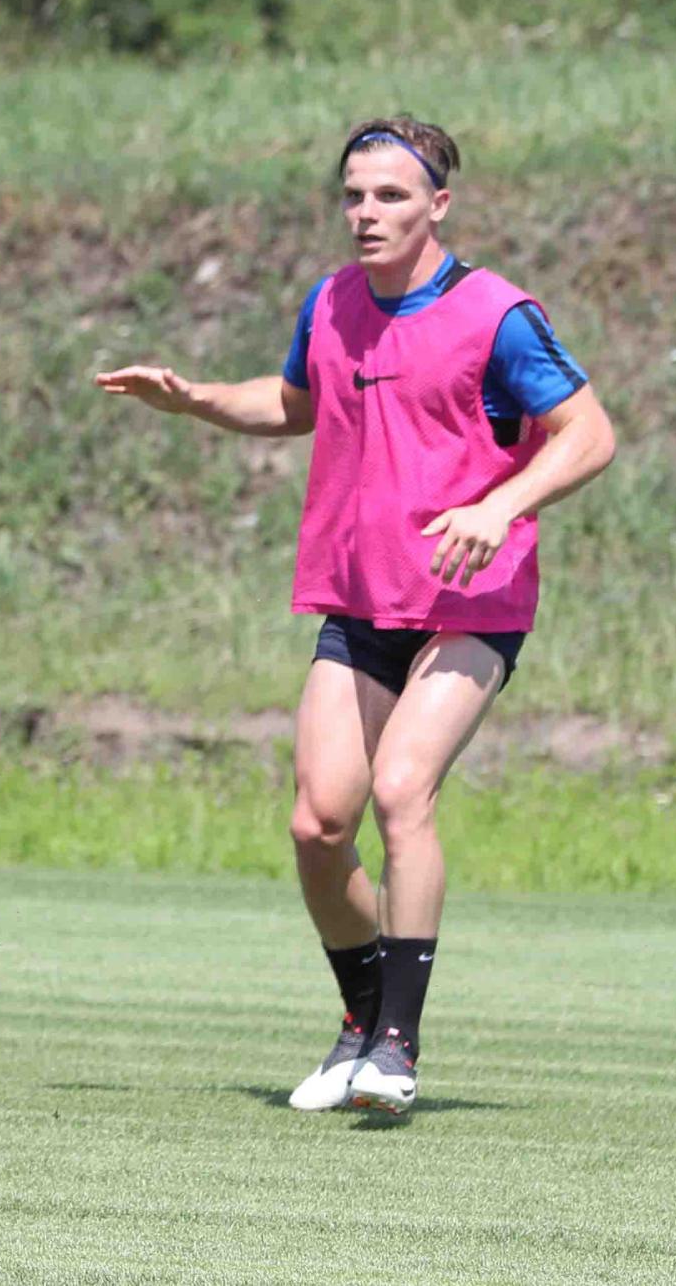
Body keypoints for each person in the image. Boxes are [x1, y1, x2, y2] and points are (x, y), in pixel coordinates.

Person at [94, 117, 615, 1115]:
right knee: (317, 822)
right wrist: (196, 398)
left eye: (390, 196)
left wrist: (500, 506)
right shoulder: (331, 301)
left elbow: (589, 433)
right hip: (362, 593)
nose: (367, 213)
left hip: (470, 600)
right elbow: (295, 403)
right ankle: (360, 1021)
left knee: (403, 787)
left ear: (438, 205)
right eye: (353, 195)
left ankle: (397, 1049)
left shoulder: (496, 313)